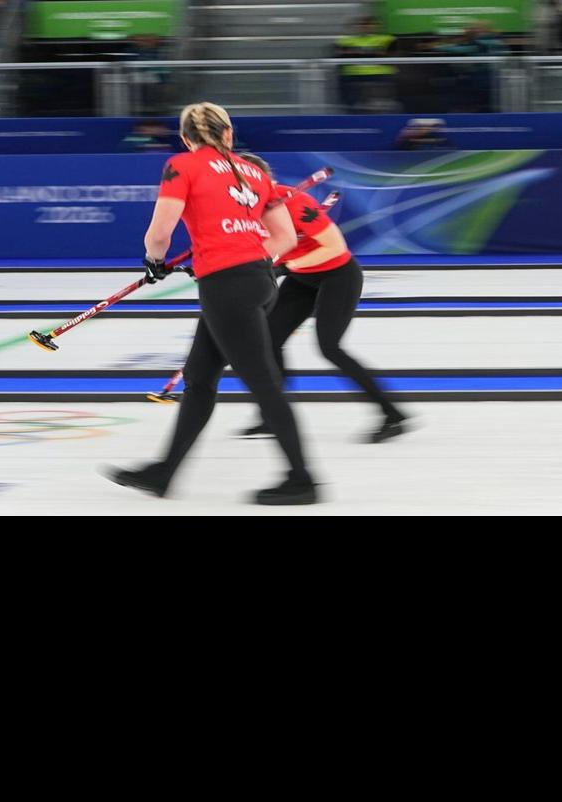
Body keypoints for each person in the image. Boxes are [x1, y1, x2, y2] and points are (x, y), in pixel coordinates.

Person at [103, 102, 319, 505]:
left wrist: (155, 263)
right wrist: (244, 260)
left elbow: (160, 232)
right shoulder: (257, 171)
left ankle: (303, 480)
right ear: (229, 135)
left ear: (186, 139)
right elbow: (285, 239)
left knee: (263, 384)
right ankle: (164, 472)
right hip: (257, 279)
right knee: (200, 378)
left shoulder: (182, 166)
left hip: (227, 287)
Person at [232, 154, 409, 444]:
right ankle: (274, 414)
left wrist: (283, 267)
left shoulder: (294, 202)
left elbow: (335, 248)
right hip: (303, 277)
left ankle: (392, 414)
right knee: (270, 338)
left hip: (337, 276)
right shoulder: (248, 208)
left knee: (330, 347)